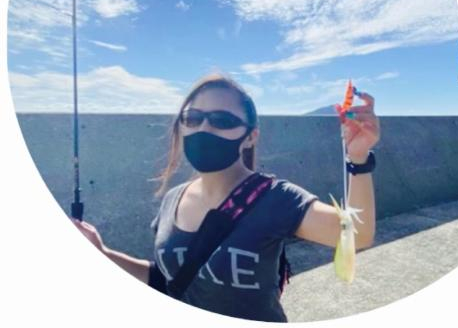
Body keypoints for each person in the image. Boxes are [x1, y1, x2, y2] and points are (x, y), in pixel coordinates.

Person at [73, 73, 380, 322]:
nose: (204, 128)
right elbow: (166, 280)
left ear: (251, 136)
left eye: (222, 120)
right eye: (193, 117)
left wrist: (358, 157)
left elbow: (358, 234)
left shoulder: (276, 198)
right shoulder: (172, 199)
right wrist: (103, 253)